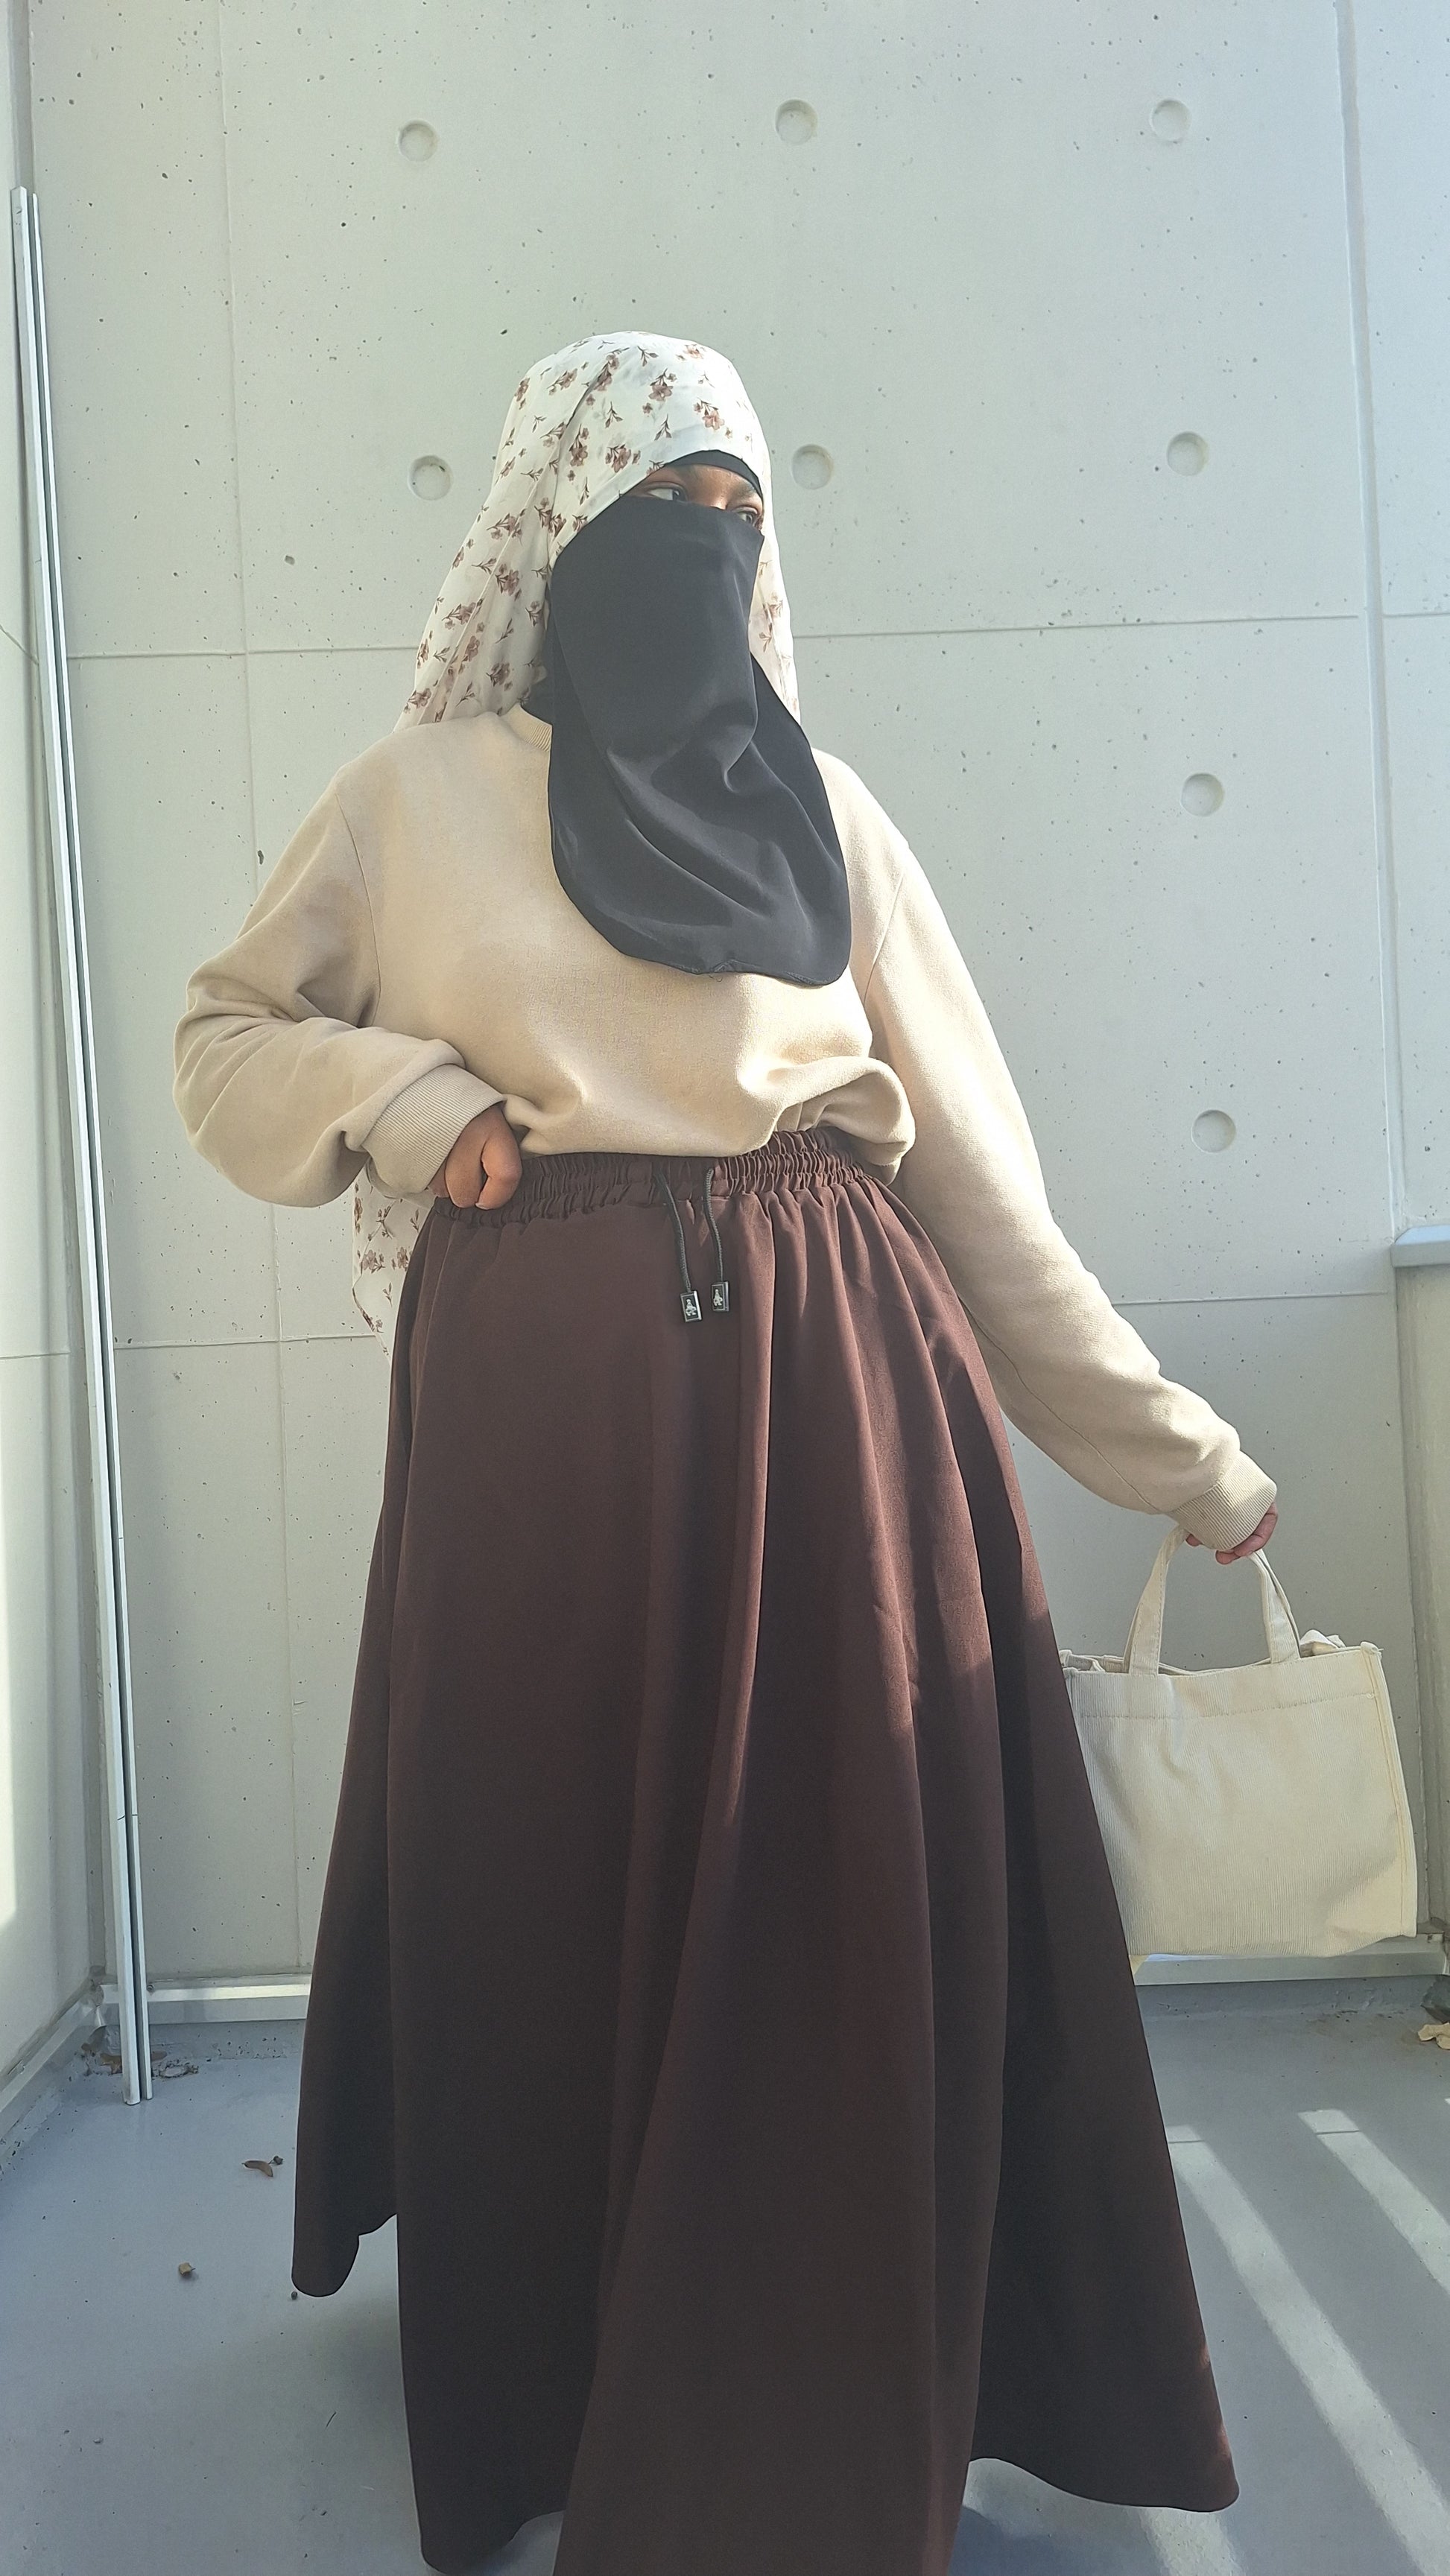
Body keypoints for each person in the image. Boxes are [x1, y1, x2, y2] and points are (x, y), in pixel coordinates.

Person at [172, 331, 1276, 2576]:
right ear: (547, 532)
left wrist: (1181, 1454)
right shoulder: (413, 796)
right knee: (542, 1871)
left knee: (839, 1893)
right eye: (655, 506)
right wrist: (413, 1104)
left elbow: (978, 1191)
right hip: (546, 1444)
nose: (703, 547)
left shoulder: (829, 817)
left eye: (738, 513)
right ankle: (571, 2372)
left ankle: (825, 2383)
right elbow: (225, 1038)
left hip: (835, 1418)